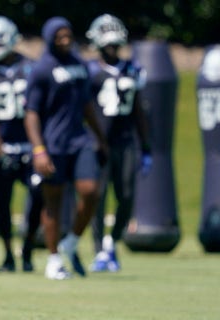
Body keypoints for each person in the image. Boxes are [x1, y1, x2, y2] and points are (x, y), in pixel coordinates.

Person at [23, 16, 107, 280]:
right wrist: (39, 149)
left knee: (92, 192)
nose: (65, 39)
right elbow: (31, 113)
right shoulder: (41, 69)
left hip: (80, 141)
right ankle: (54, 258)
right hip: (53, 145)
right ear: (49, 38)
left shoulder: (80, 65)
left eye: (68, 34)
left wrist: (100, 138)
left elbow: (86, 106)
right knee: (53, 202)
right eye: (59, 35)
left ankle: (70, 243)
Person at [85, 14, 152, 272]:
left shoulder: (133, 69)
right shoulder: (90, 70)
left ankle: (112, 243)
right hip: (98, 144)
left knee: (126, 196)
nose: (112, 47)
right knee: (97, 197)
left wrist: (146, 146)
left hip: (125, 142)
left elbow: (138, 111)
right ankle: (99, 251)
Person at [0, 15, 43, 272]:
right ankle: (8, 255)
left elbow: (40, 109)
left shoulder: (32, 68)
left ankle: (27, 250)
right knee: (2, 205)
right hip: (2, 149)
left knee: (38, 196)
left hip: (30, 147)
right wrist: (0, 148)